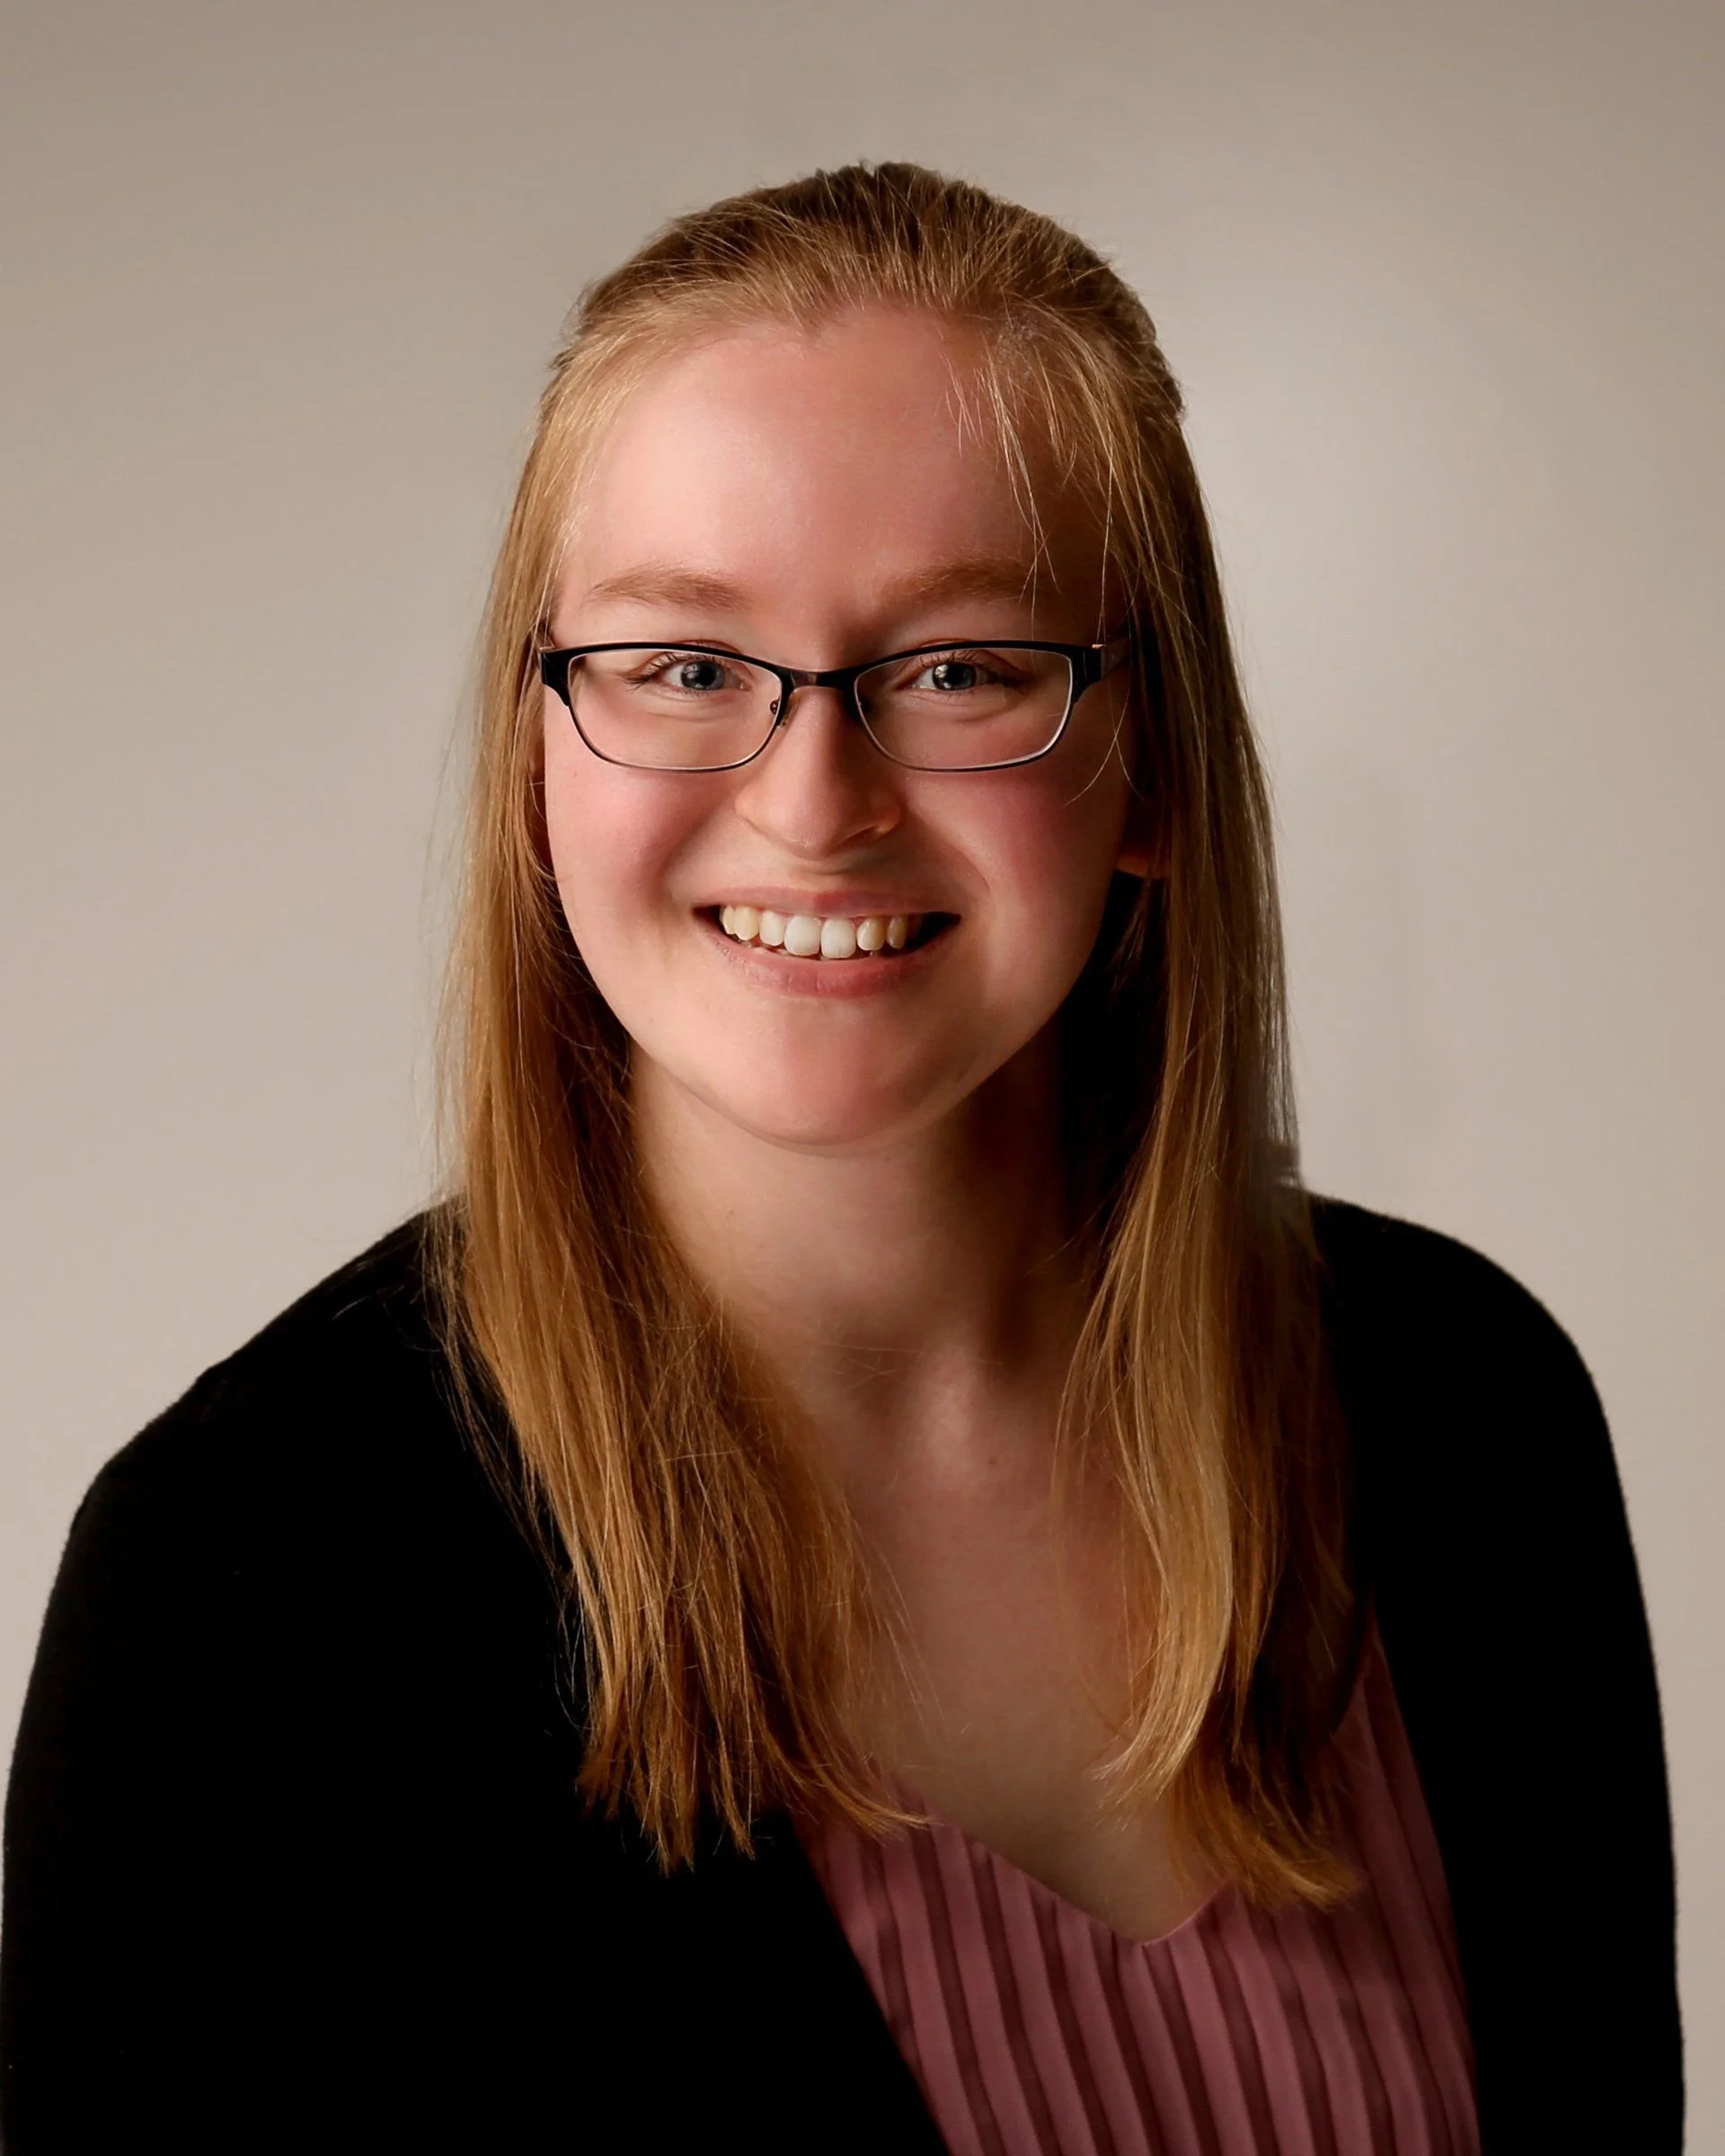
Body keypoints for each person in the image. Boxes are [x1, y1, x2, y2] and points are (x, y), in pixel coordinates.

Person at [0, 163, 1680, 2154]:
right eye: (684, 668)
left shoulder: (1466, 1405)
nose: (814, 805)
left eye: (960, 668)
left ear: (1144, 755)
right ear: (539, 758)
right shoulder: (247, 1594)